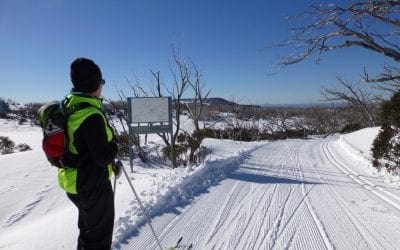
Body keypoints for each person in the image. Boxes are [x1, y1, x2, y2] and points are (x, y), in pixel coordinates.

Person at [59, 57, 120, 249]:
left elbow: (83, 148)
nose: (102, 86)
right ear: (95, 84)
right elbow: (103, 157)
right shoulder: (91, 115)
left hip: (74, 182)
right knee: (98, 240)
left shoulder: (71, 105)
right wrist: (115, 145)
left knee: (88, 233)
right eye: (101, 82)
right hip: (92, 186)